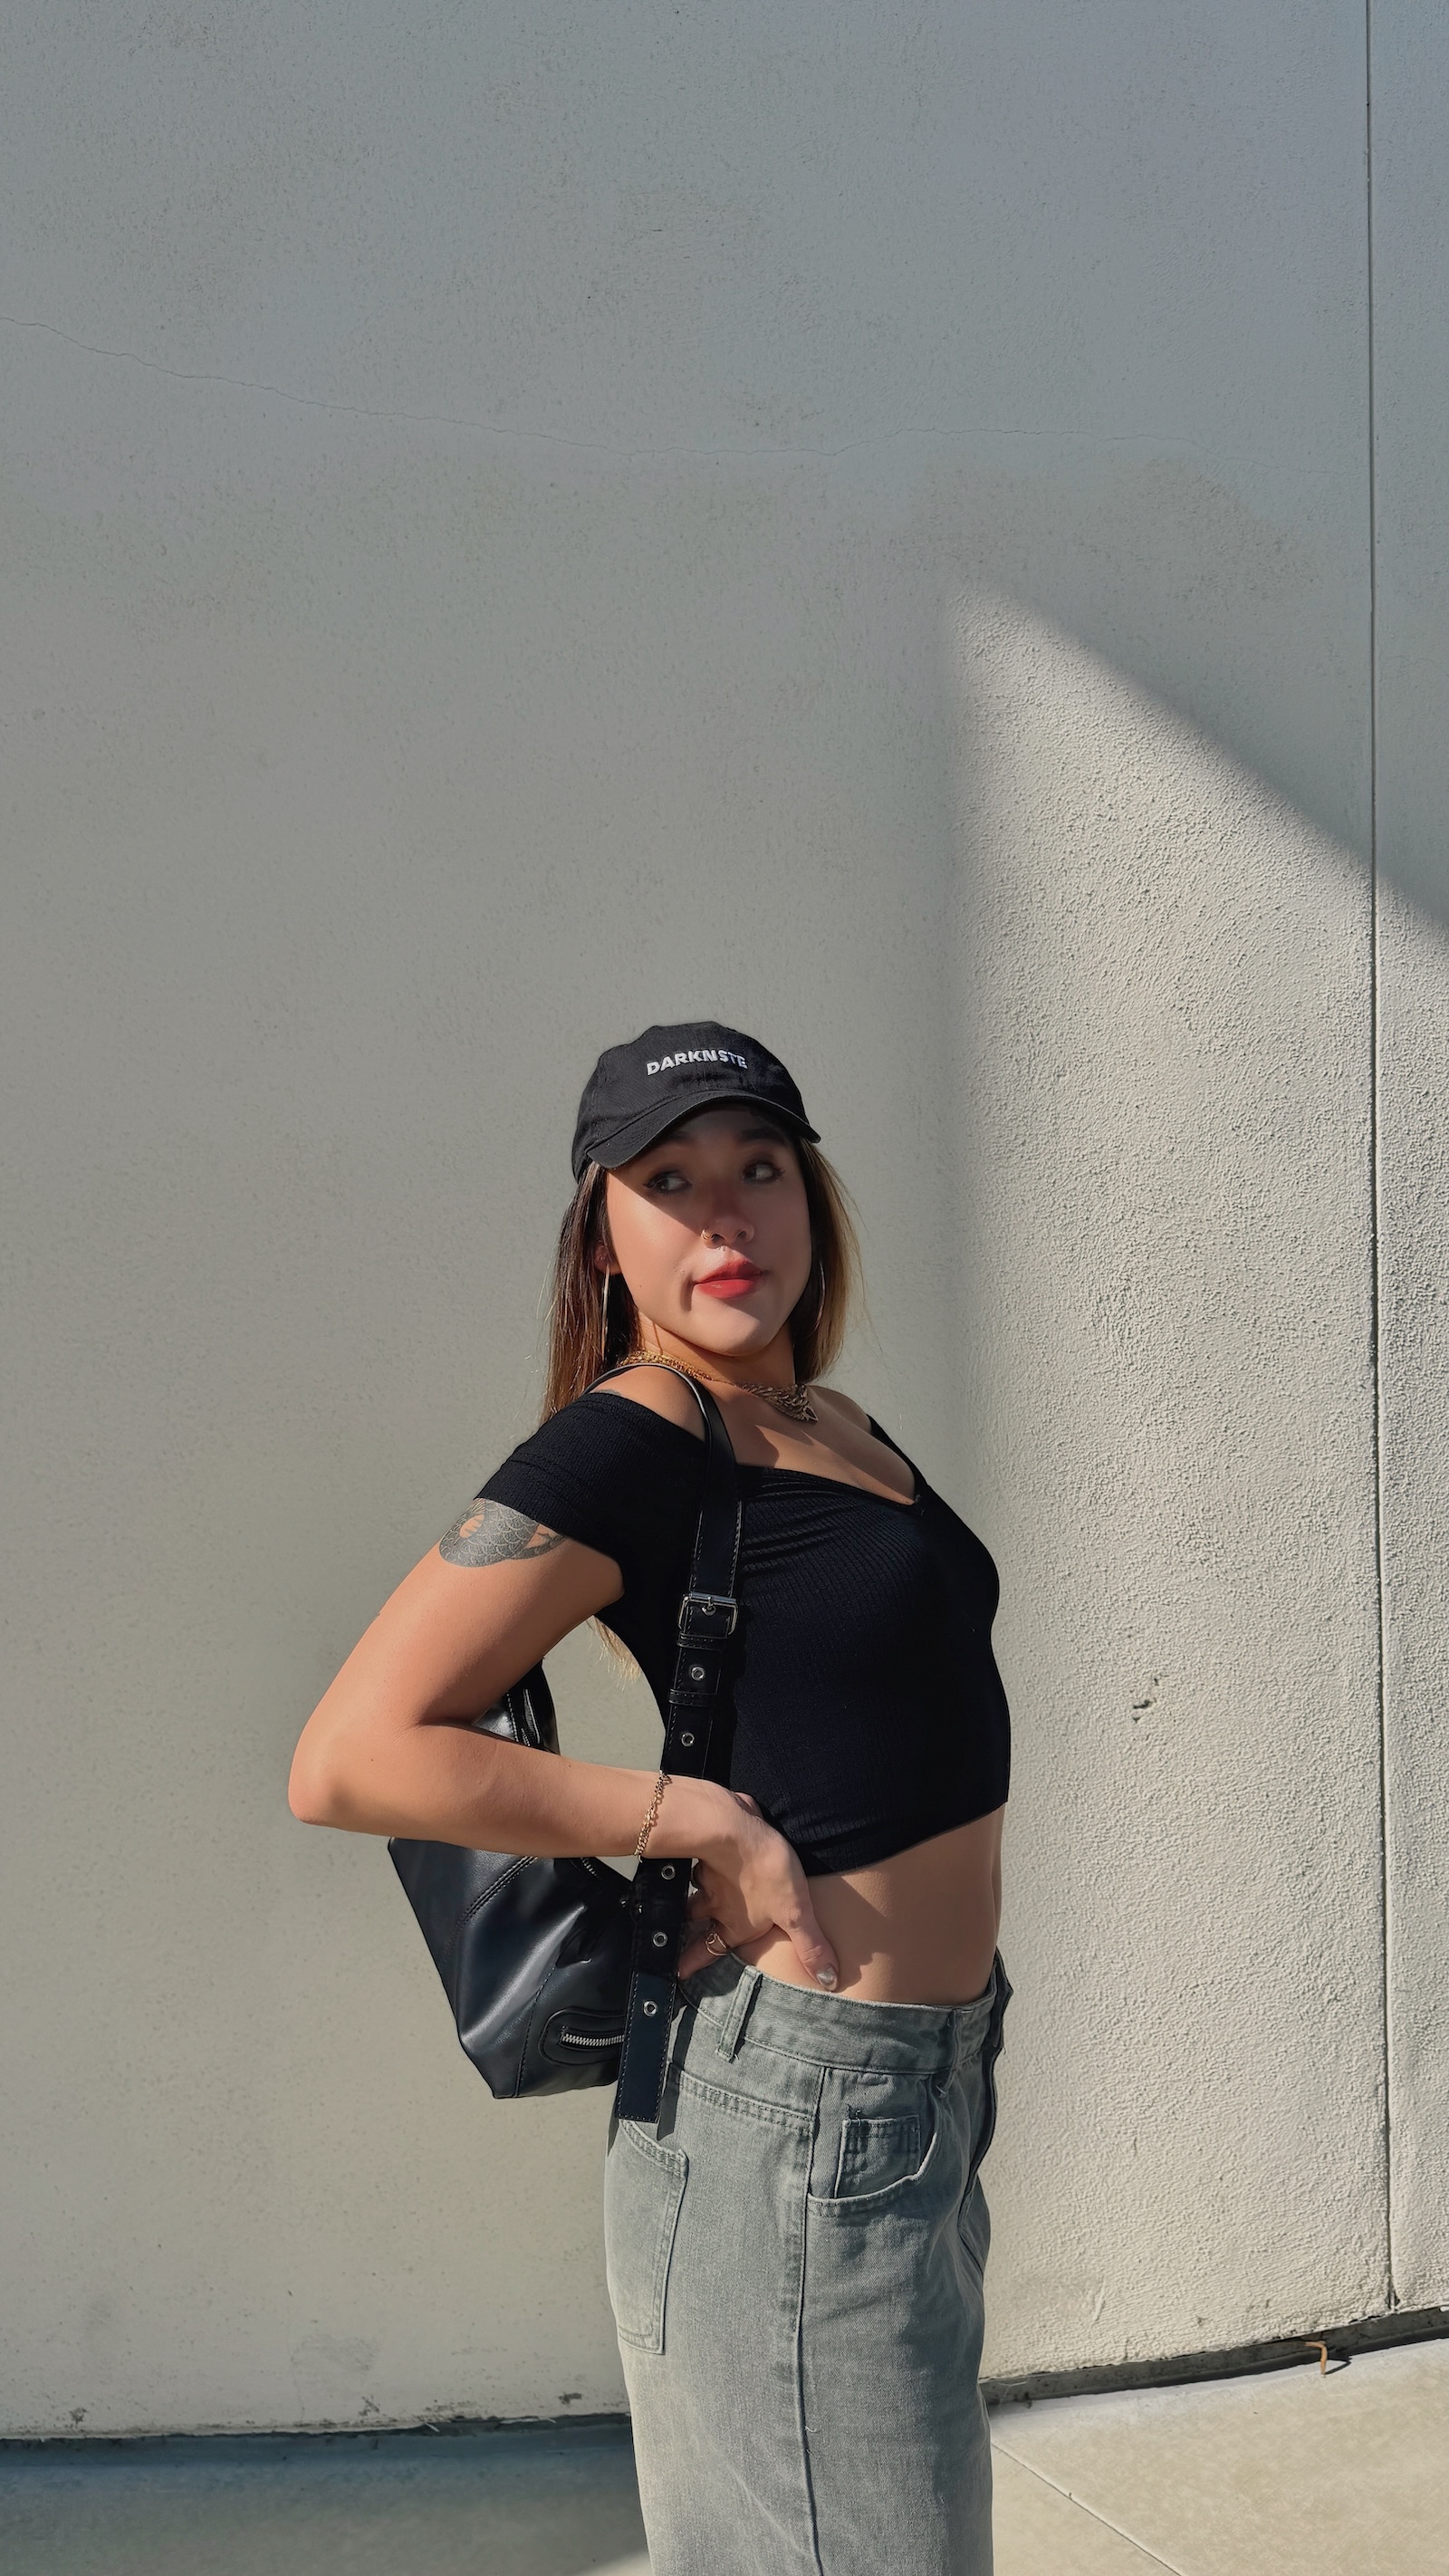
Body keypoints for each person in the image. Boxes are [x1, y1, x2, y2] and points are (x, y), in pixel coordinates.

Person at [289, 1019, 1012, 2576]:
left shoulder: (828, 1423)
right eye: (669, 1182)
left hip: (926, 2078)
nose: (725, 1216)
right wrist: (695, 1820)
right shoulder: (636, 1434)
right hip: (801, 2104)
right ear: (603, 1240)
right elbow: (350, 1754)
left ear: (813, 1197)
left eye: (760, 1167)